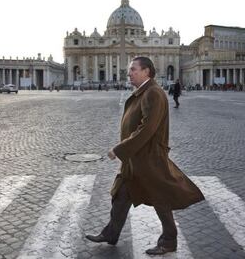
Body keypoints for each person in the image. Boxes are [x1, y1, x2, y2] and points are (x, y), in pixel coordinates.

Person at [85, 56, 204, 255]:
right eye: (129, 70)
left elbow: (146, 129)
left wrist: (119, 149)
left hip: (148, 158)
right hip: (135, 158)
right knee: (121, 195)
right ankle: (111, 233)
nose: (129, 73)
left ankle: (169, 240)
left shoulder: (153, 93)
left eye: (133, 69)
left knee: (160, 199)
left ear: (146, 71)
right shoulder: (144, 92)